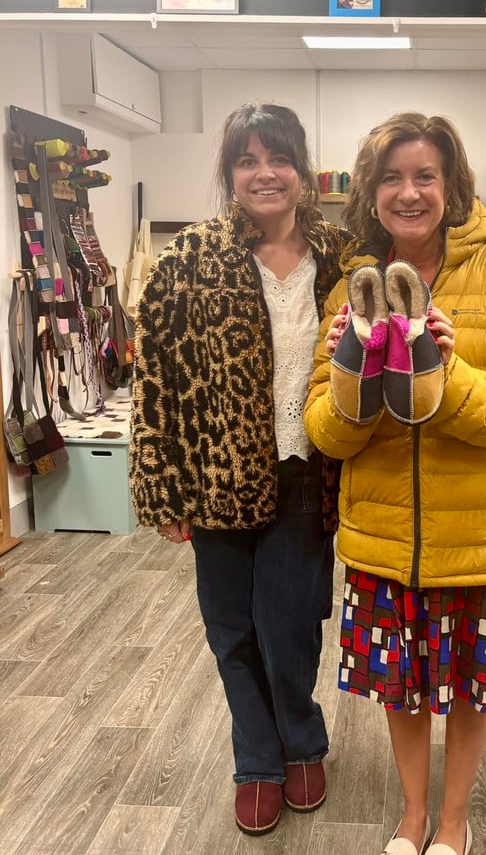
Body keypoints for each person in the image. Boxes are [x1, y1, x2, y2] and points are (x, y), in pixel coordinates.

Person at [304, 112, 486, 855]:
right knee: (402, 691)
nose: (409, 192)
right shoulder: (352, 291)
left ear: (451, 186)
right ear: (371, 190)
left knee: (474, 694)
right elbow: (325, 430)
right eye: (391, 177)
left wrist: (447, 376)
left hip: (484, 535)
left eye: (425, 175)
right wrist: (353, 376)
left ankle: (455, 821)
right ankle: (412, 815)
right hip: (386, 537)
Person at [130, 102, 350, 837]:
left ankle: (302, 737)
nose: (265, 173)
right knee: (231, 630)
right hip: (214, 474)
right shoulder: (187, 260)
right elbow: (155, 382)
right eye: (248, 160)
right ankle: (258, 759)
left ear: (302, 170)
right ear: (229, 174)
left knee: (291, 626)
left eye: (278, 157)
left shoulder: (343, 260)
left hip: (307, 471)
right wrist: (162, 487)